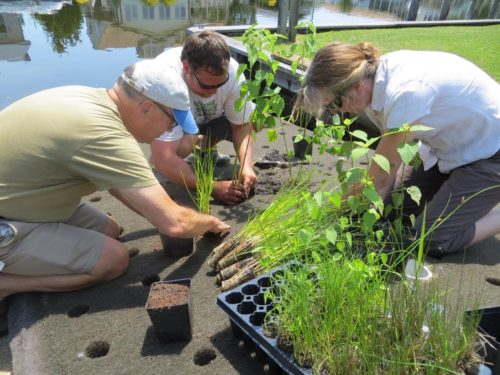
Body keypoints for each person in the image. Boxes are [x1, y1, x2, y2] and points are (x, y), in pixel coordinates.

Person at [0, 59, 230, 334]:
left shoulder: (91, 101)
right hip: (9, 219)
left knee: (110, 229)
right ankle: (7, 285)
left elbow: (117, 183)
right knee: (114, 260)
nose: (168, 132)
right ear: (146, 108)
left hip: (26, 197)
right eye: (170, 122)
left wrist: (158, 210)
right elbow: (175, 224)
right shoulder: (101, 134)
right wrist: (209, 222)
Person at [299, 42, 500, 258]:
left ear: (356, 85)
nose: (338, 110)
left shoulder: (405, 92)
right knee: (396, 208)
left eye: (337, 102)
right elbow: (390, 164)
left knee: (428, 239)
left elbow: (379, 178)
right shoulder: (375, 80)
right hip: (450, 146)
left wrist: (328, 215)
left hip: (490, 153)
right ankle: (460, 196)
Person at [151, 30, 257, 206]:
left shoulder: (233, 72)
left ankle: (205, 147)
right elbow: (163, 158)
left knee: (252, 117)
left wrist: (247, 165)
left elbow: (241, 126)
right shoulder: (163, 77)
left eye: (220, 84)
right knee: (181, 147)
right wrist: (212, 187)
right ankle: (189, 152)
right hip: (177, 125)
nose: (214, 91)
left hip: (210, 119)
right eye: (207, 85)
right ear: (186, 68)